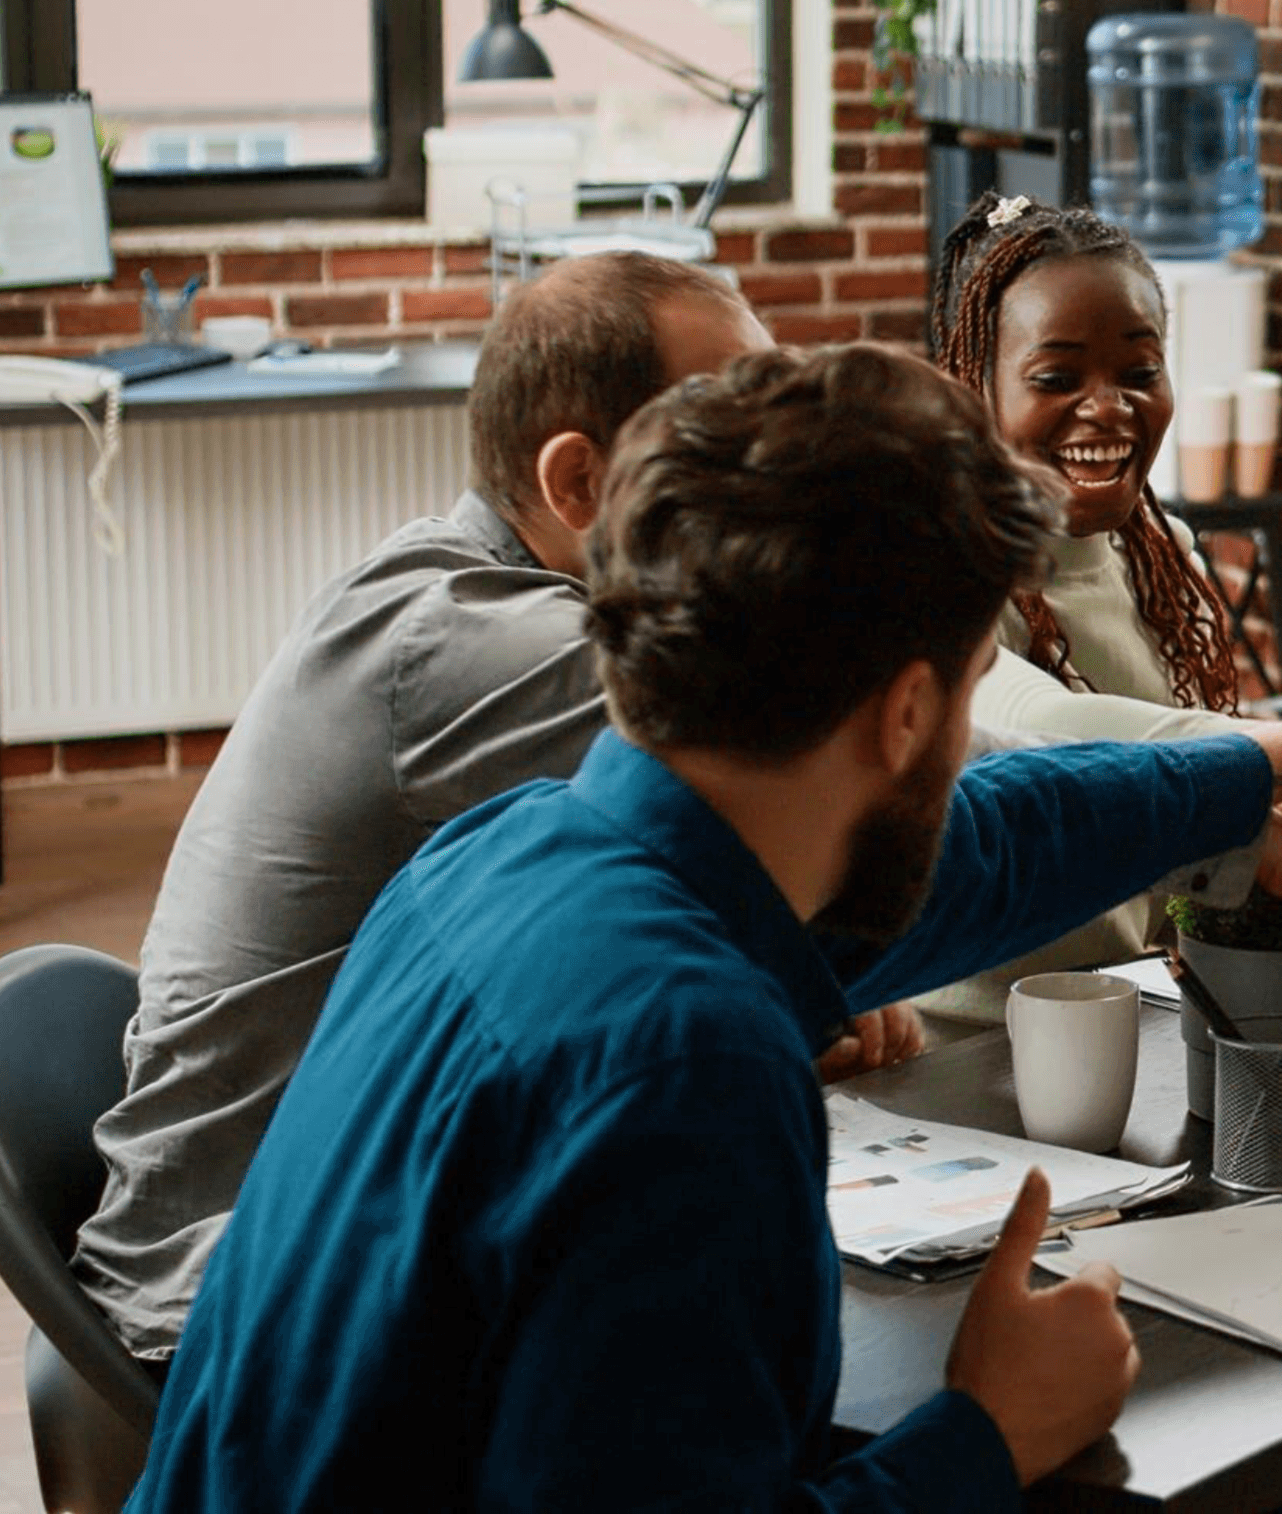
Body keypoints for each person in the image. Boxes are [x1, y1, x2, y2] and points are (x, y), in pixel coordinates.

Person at [124, 343, 1282, 1510]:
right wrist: (990, 1431)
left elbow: (974, 850)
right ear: (910, 714)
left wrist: (1271, 766)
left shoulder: (517, 852)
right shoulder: (684, 1060)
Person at [72, 252, 923, 1365]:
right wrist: (1225, 778)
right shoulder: (478, 643)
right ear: (577, 485)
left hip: (363, 1210)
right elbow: (879, 765)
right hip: (236, 1287)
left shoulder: (473, 591)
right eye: (732, 444)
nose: (782, 478)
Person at [916, 191, 1261, 1021]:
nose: (1108, 407)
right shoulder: (942, 569)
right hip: (959, 1048)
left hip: (1129, 1016)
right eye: (1056, 378)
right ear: (974, 388)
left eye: (1139, 373)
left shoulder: (1162, 551)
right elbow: (1042, 731)